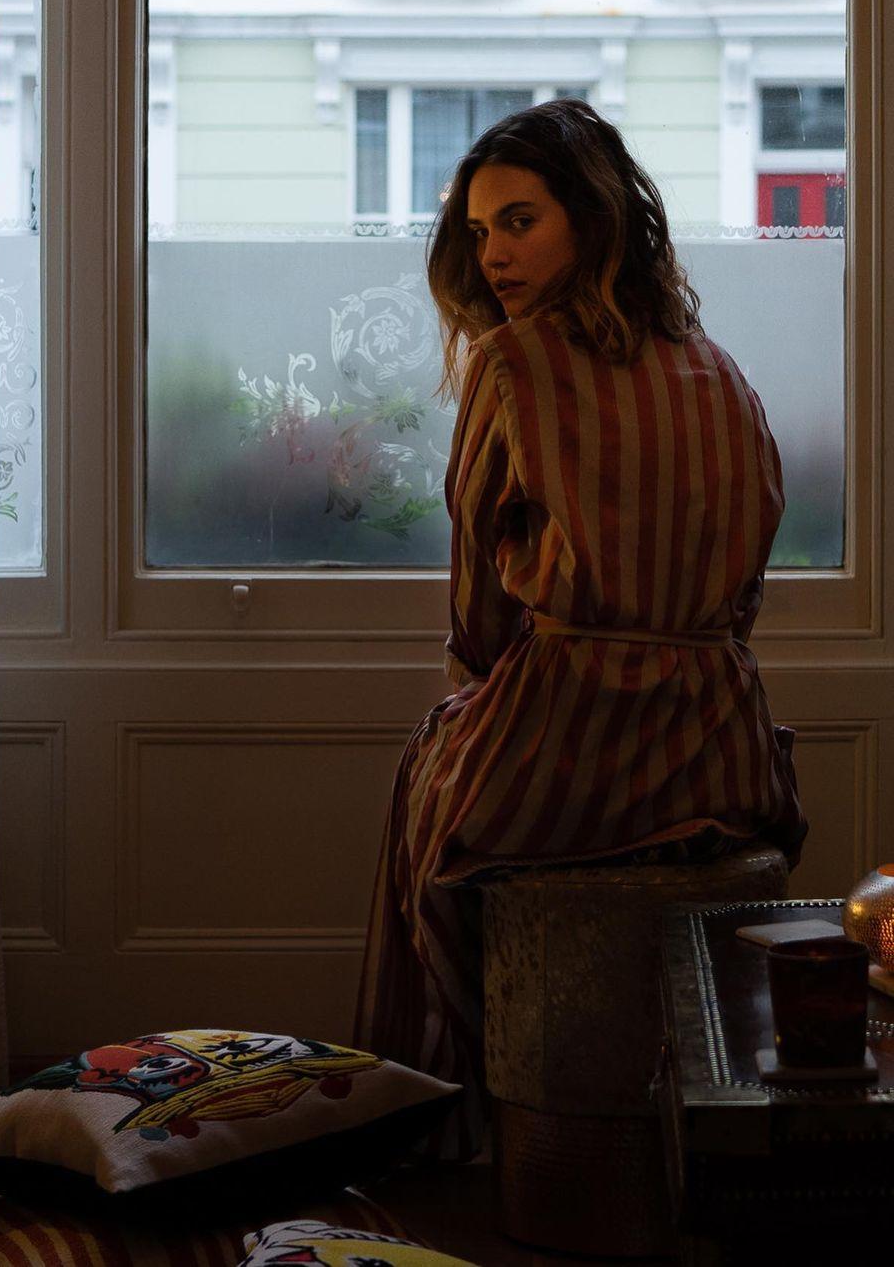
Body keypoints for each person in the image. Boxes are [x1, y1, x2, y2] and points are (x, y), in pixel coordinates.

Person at [352, 99, 806, 1161]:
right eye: (478, 232)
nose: (495, 254)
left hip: (572, 733)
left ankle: (446, 1122)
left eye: (519, 222)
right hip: (724, 746)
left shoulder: (512, 366)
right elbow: (746, 582)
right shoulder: (719, 368)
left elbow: (478, 609)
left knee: (429, 798)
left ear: (593, 220)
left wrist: (485, 698)